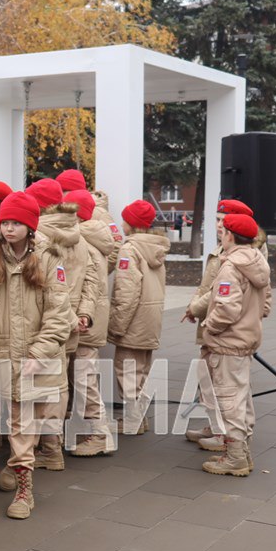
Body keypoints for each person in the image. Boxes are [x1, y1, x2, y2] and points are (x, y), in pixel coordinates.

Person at [0, 191, 71, 520]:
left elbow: (59, 315)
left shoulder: (48, 260)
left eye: (16, 223)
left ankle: (19, 467)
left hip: (38, 358)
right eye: (5, 223)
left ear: (30, 227)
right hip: (5, 357)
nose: (9, 229)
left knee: (30, 423)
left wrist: (38, 352)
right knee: (18, 424)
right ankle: (24, 489)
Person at [182, 199, 269, 450]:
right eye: (217, 220)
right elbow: (210, 289)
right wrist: (196, 309)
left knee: (231, 388)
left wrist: (213, 325)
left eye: (222, 221)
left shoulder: (244, 257)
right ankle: (221, 430)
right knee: (215, 381)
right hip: (227, 329)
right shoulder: (237, 253)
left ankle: (234, 443)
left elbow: (235, 299)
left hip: (228, 332)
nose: (218, 226)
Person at [29, 178, 95, 471]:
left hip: (42, 324)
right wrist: (84, 315)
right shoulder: (79, 235)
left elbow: (53, 288)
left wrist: (69, 316)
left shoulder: (40, 237)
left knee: (36, 387)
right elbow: (91, 279)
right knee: (58, 386)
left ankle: (34, 448)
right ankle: (52, 447)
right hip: (70, 326)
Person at [108, 199, 169, 435]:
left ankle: (132, 420)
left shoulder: (130, 249)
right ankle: (139, 418)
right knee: (141, 370)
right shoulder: (156, 248)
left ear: (130, 223)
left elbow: (127, 292)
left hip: (133, 321)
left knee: (126, 370)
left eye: (124, 219)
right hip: (150, 319)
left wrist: (116, 326)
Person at [65, 189, 117, 457]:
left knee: (85, 380)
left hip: (85, 324)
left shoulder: (82, 242)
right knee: (86, 378)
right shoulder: (96, 238)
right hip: (93, 319)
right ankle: (95, 429)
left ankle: (99, 434)